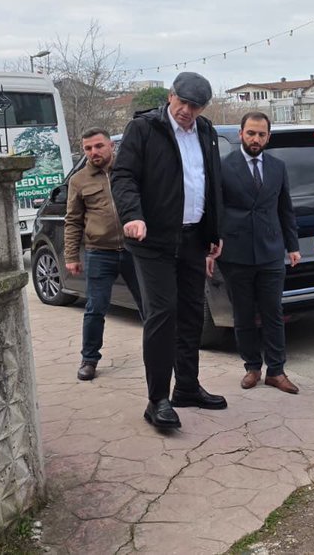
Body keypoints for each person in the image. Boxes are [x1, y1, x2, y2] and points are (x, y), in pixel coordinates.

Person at [112, 71, 227, 430]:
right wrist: (133, 215)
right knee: (163, 314)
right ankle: (157, 399)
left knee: (193, 313)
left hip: (193, 238)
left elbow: (211, 183)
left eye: (196, 106)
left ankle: (188, 387)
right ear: (171, 97)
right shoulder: (145, 129)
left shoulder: (206, 132)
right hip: (153, 240)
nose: (188, 111)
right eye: (184, 103)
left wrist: (214, 231)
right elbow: (123, 176)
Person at [212, 111, 302, 394]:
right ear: (241, 134)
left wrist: (293, 246)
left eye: (261, 134)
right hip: (235, 254)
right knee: (244, 314)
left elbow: (285, 209)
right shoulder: (224, 167)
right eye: (251, 133)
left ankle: (276, 370)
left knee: (273, 312)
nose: (256, 139)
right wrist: (211, 244)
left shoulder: (278, 167)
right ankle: (252, 367)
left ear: (268, 137)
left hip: (271, 251)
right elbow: (214, 211)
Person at [64, 127, 142, 381]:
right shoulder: (79, 180)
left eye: (99, 146)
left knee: (150, 306)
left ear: (111, 146)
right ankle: (89, 360)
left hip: (136, 250)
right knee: (95, 309)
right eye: (88, 148)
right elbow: (73, 220)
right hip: (100, 253)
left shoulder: (129, 171)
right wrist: (71, 256)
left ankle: (165, 352)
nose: (94, 152)